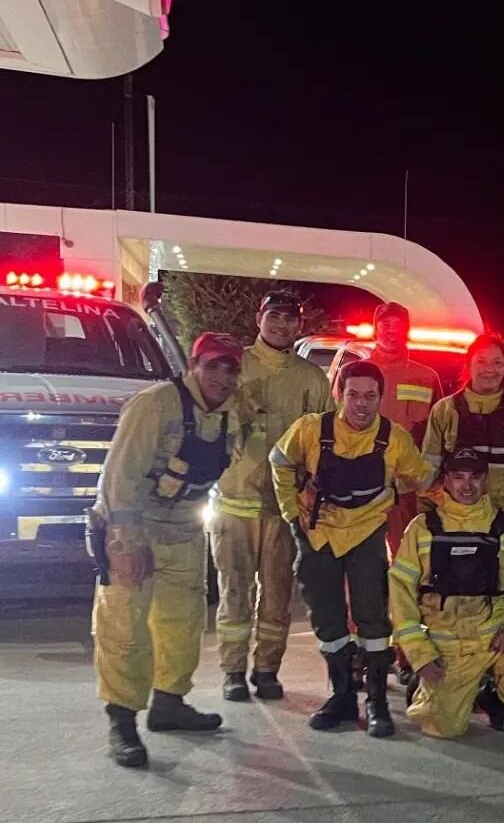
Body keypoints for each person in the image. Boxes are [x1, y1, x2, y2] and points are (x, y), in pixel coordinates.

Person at [92, 333, 243, 767]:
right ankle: (122, 722)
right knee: (125, 627)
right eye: (213, 365)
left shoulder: (229, 414)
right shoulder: (155, 404)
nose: (223, 376)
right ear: (193, 366)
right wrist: (125, 544)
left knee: (182, 622)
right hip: (135, 528)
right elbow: (118, 476)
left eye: (231, 368)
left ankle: (169, 704)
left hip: (183, 530)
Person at [271, 360, 434, 738]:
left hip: (366, 535)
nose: (362, 404)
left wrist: (452, 505)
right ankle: (342, 696)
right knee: (327, 620)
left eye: (370, 396)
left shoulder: (394, 438)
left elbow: (423, 478)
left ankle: (376, 701)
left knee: (373, 618)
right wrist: (292, 513)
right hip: (317, 537)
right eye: (353, 395)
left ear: (382, 397)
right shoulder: (311, 429)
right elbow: (279, 462)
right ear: (338, 394)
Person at [210, 291, 333, 703]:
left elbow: (324, 439)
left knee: (279, 594)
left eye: (290, 319)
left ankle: (266, 670)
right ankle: (232, 670)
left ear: (299, 325)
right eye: (274, 316)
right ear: (258, 317)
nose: (281, 325)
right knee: (234, 591)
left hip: (285, 507)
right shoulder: (235, 365)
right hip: (233, 500)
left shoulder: (311, 378)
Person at [389, 447, 504, 736]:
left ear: (487, 481)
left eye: (475, 477)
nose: (467, 486)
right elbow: (400, 595)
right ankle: (428, 687)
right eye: (458, 477)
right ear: (446, 481)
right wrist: (421, 656)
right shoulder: (422, 529)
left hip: (495, 640)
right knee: (439, 726)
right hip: (446, 648)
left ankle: (491, 693)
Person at [329, 301, 443, 556]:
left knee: (405, 561)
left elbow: (436, 437)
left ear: (408, 331)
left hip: (405, 492)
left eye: (399, 325)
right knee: (358, 559)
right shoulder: (352, 374)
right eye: (386, 324)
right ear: (375, 329)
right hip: (357, 486)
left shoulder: (426, 377)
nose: (393, 330)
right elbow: (334, 427)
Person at [423, 334, 504, 545]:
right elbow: (429, 467)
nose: (489, 369)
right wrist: (427, 514)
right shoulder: (445, 410)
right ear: (469, 365)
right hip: (459, 524)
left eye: (497, 363)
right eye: (481, 362)